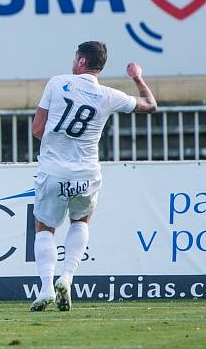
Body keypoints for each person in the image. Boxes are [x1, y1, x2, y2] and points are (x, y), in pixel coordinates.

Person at [28, 41, 156, 311]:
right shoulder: (109, 95)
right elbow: (150, 105)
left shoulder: (57, 83)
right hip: (86, 172)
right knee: (81, 222)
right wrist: (137, 77)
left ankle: (46, 288)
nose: (73, 62)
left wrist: (56, 141)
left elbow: (37, 128)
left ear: (82, 62)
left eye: (75, 58)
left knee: (44, 228)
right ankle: (67, 277)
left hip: (53, 170)